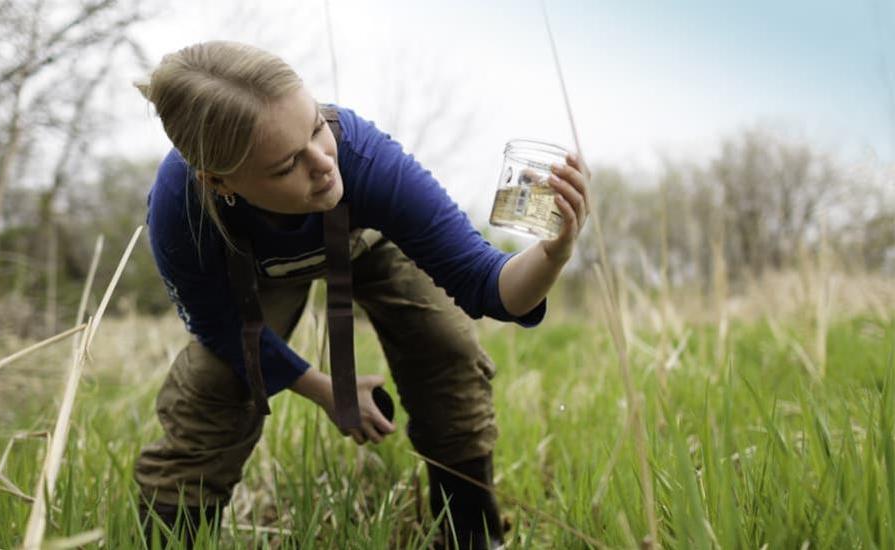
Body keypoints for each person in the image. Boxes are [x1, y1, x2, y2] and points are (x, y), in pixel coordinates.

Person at [133, 40, 589, 549]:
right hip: (253, 275)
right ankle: (169, 537)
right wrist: (324, 388)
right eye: (287, 166)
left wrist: (553, 254)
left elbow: (491, 288)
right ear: (219, 182)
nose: (324, 163)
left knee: (446, 347)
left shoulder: (363, 157)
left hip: (364, 243)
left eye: (315, 128)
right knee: (217, 385)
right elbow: (220, 327)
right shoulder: (181, 211)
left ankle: (470, 536)